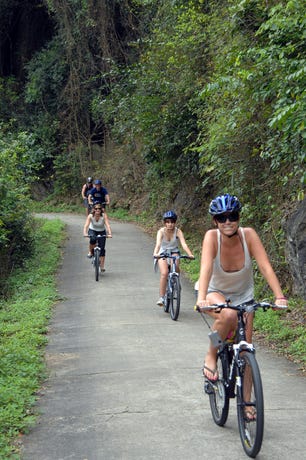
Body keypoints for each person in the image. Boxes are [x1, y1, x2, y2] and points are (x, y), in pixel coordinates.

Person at [196, 193, 288, 382]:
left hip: (244, 296)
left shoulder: (249, 235)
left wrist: (279, 296)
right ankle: (211, 354)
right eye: (222, 218)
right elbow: (205, 268)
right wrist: (201, 298)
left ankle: (248, 404)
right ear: (215, 221)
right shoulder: (212, 237)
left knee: (246, 348)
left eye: (233, 216)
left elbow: (265, 266)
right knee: (228, 315)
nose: (227, 221)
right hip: (215, 292)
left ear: (239, 217)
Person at [153, 210, 194, 306]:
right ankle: (162, 297)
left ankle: (176, 281)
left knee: (175, 266)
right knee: (164, 273)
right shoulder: (161, 232)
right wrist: (155, 253)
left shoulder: (178, 231)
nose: (170, 224)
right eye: (168, 222)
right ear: (164, 223)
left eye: (172, 222)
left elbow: (184, 244)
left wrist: (190, 254)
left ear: (175, 222)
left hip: (174, 251)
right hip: (162, 252)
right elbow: (158, 244)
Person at [83, 203, 112, 272]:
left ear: (101, 210)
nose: (97, 210)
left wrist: (110, 233)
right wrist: (85, 233)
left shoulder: (104, 216)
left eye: (99, 209)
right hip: (92, 230)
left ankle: (102, 266)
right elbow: (86, 225)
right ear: (93, 209)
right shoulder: (90, 216)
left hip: (102, 231)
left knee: (102, 249)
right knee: (92, 239)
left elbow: (108, 225)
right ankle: (90, 252)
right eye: (96, 209)